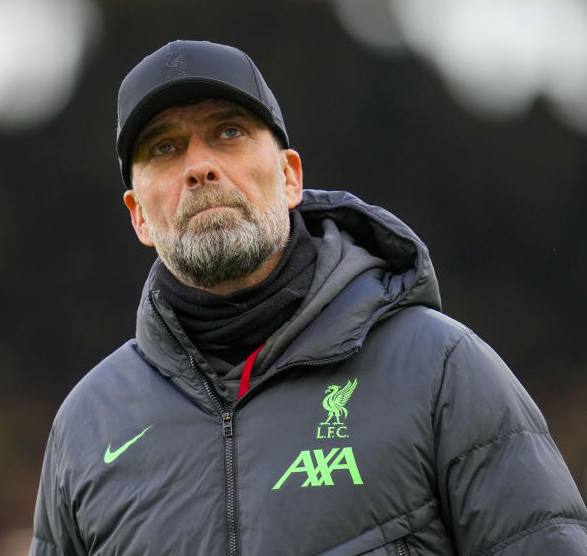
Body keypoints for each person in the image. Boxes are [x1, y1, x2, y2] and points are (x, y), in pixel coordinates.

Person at [29, 40, 587, 555]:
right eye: (165, 147)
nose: (199, 166)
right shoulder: (86, 426)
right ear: (138, 217)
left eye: (228, 132)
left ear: (291, 177)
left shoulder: (440, 369)